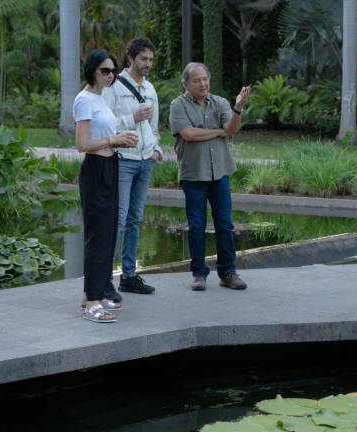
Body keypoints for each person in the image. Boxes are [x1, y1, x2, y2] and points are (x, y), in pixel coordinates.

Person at [169, 62, 251, 291]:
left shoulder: (220, 102)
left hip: (220, 172)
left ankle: (228, 272)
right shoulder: (178, 105)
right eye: (197, 80)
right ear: (186, 84)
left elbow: (231, 129)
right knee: (196, 226)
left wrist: (238, 108)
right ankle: (199, 274)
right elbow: (188, 134)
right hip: (193, 174)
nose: (203, 84)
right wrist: (218, 132)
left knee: (225, 224)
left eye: (205, 79)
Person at [74, 49, 138, 322]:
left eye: (113, 71)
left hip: (110, 166)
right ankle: (91, 302)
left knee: (109, 234)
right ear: (92, 71)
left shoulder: (100, 98)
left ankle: (94, 294)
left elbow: (103, 136)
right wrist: (113, 140)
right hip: (96, 170)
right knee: (97, 237)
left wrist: (120, 138)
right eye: (105, 71)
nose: (110, 75)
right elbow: (82, 144)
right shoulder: (84, 99)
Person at [103, 37, 163, 297]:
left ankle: (128, 276)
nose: (148, 64)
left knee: (135, 219)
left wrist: (156, 149)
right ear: (130, 58)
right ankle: (104, 279)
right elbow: (105, 124)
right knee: (118, 220)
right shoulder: (114, 86)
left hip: (145, 161)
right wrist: (132, 117)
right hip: (123, 160)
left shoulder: (150, 88)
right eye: (143, 59)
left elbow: (154, 126)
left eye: (151, 59)